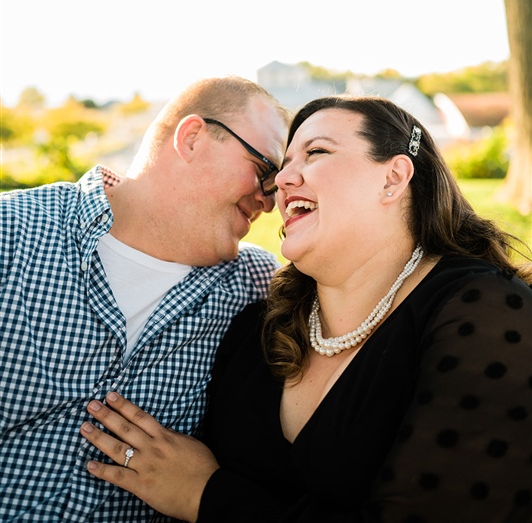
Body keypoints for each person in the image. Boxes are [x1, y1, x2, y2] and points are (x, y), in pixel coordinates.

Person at [80, 94, 532, 523]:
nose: (280, 181)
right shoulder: (254, 330)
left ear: (393, 178)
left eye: (315, 152)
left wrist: (206, 496)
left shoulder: (486, 309)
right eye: (281, 166)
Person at [0, 75, 292, 522]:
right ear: (192, 137)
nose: (269, 201)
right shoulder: (12, 235)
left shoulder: (257, 285)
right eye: (264, 170)